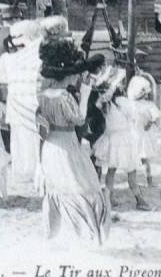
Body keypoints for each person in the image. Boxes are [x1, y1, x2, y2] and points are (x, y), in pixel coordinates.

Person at [36, 39, 109, 244]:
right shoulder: (64, 97)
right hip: (67, 145)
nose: (78, 76)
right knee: (79, 186)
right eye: (75, 72)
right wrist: (85, 94)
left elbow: (40, 125)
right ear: (67, 74)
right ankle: (85, 235)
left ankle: (55, 233)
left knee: (57, 189)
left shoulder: (42, 95)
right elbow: (79, 119)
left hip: (50, 145)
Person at [93, 73, 152, 211]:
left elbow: (100, 102)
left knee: (111, 171)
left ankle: (108, 199)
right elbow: (134, 116)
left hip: (113, 139)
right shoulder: (122, 102)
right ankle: (139, 200)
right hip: (124, 140)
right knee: (131, 171)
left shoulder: (104, 104)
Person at [0, 19, 43, 185]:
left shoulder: (10, 59)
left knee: (21, 140)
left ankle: (24, 172)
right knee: (36, 140)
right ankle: (38, 170)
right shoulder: (41, 55)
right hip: (35, 106)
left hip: (17, 105)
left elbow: (1, 78)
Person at [128, 75, 161, 187]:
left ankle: (136, 181)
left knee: (136, 159)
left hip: (137, 134)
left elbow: (155, 116)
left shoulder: (132, 105)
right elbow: (156, 116)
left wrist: (150, 122)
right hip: (140, 134)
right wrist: (150, 122)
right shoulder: (148, 105)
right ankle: (148, 181)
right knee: (145, 160)